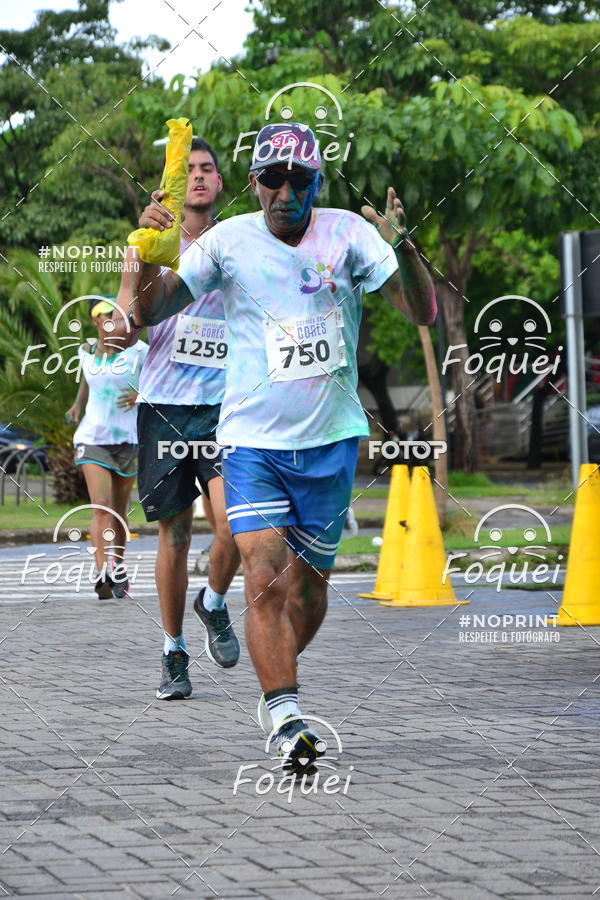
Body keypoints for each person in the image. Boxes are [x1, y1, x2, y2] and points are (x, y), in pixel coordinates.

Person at [126, 123, 437, 771]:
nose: (286, 190)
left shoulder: (350, 232)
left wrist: (403, 248)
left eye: (301, 179)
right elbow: (151, 311)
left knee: (308, 593)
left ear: (318, 183)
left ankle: (278, 678)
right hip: (249, 446)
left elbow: (423, 312)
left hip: (330, 444)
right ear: (255, 183)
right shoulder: (227, 241)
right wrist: (150, 254)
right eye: (274, 177)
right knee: (263, 580)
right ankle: (286, 715)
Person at [115, 137, 241, 701]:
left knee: (236, 523)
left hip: (225, 408)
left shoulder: (239, 242)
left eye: (207, 169)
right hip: (163, 408)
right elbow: (126, 325)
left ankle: (212, 602)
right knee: (174, 532)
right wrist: (139, 263)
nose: (198, 177)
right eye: (189, 169)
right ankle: (173, 650)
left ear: (219, 183)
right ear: (169, 185)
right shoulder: (146, 244)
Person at [66, 296, 148, 599]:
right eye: (104, 315)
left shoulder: (139, 352)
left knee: (118, 510)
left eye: (115, 315)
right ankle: (102, 571)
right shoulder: (86, 351)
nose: (109, 320)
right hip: (92, 439)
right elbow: (88, 378)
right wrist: (78, 405)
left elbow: (161, 379)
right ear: (95, 321)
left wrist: (140, 394)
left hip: (127, 439)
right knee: (100, 504)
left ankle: (118, 564)